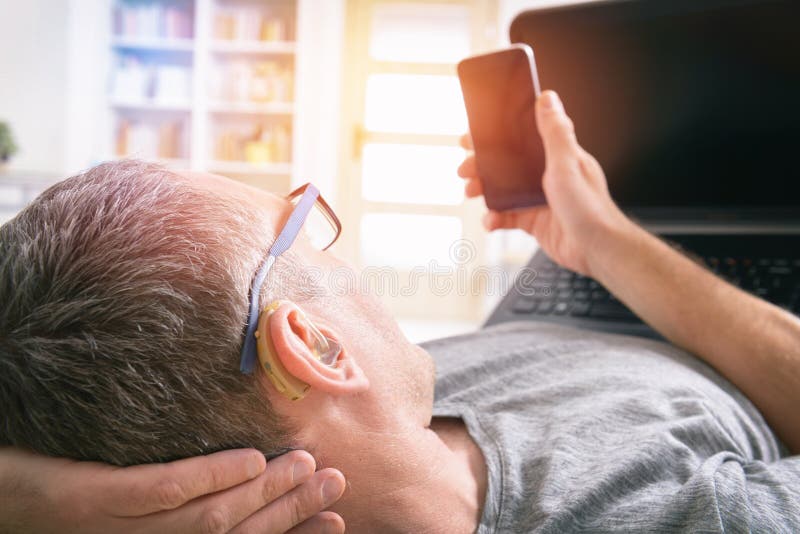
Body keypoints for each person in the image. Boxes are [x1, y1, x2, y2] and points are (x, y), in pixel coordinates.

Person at [2, 90, 799, 532]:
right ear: (312, 349)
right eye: (303, 231)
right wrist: (611, 245)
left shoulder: (392, 410)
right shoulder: (675, 515)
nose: (335, 252)